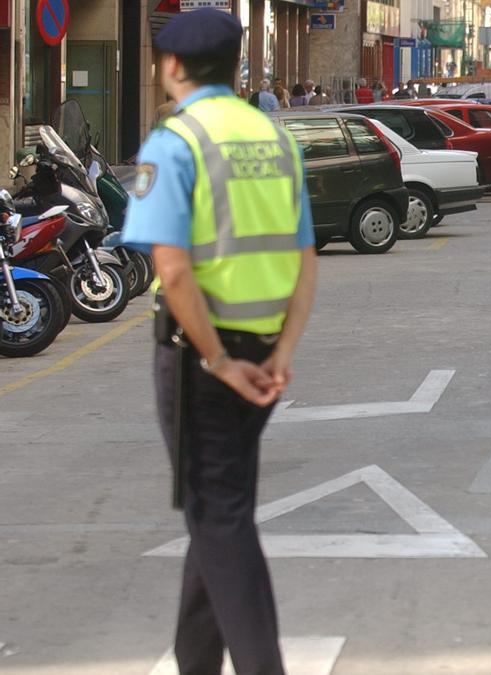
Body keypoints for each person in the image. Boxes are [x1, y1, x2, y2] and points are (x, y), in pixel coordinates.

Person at [121, 8, 319, 673]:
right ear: (234, 66)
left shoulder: (176, 141)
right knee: (219, 509)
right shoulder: (275, 136)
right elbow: (305, 259)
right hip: (265, 351)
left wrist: (216, 360)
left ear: (172, 66)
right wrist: (281, 354)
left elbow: (172, 270)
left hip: (201, 359)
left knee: (221, 518)